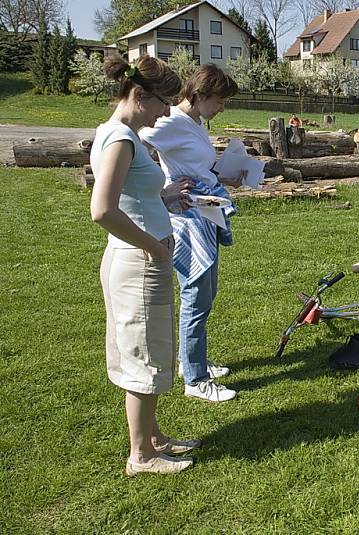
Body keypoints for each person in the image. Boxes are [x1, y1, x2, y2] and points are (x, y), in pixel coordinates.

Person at [90, 55, 199, 475]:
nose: (167, 111)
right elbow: (102, 210)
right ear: (139, 95)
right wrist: (154, 248)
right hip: (138, 263)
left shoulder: (117, 134)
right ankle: (142, 456)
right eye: (162, 102)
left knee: (149, 348)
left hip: (137, 259)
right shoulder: (120, 138)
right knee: (143, 356)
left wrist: (164, 198)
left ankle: (155, 437)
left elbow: (132, 197)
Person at [140, 64, 242, 403]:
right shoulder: (169, 122)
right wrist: (162, 190)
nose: (222, 107)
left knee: (206, 292)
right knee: (196, 295)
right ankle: (195, 380)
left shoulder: (195, 123)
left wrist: (224, 177)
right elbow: (133, 143)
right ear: (199, 95)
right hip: (188, 220)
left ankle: (191, 361)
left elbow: (198, 166)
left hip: (207, 213)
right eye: (220, 100)